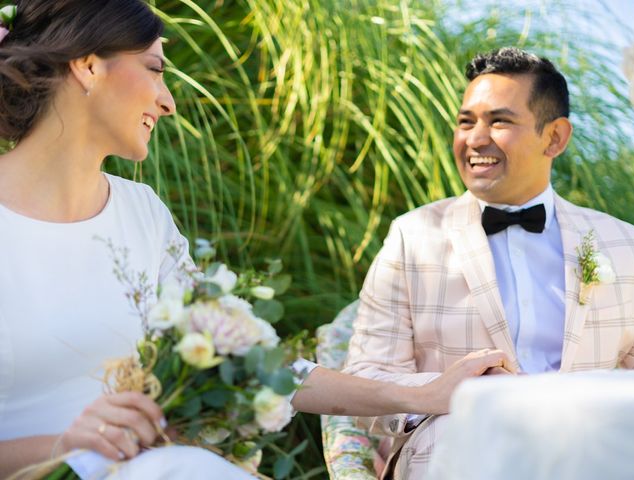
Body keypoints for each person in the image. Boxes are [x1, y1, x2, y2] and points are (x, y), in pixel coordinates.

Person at [0, 2, 515, 479]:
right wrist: (64, 445)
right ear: (88, 67)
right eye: (155, 69)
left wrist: (427, 393)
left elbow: (254, 360)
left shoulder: (142, 215)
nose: (169, 101)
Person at [344, 47, 634, 479]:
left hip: (590, 455)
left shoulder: (625, 244)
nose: (475, 139)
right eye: (466, 122)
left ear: (554, 137)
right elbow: (366, 377)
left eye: (499, 121)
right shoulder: (413, 235)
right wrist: (449, 395)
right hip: (456, 451)